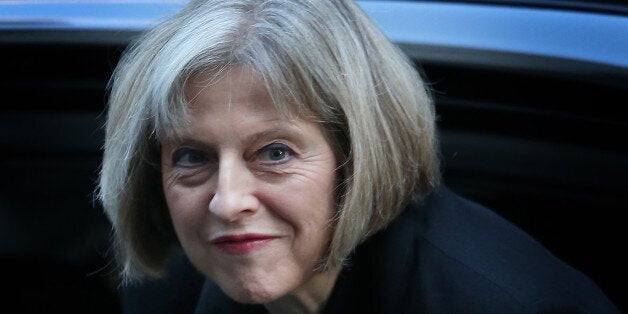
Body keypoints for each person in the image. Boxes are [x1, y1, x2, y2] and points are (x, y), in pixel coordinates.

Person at [97, 0, 620, 313]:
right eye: (191, 156)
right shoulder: (167, 292)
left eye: (275, 152)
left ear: (360, 158)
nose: (228, 202)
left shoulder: (497, 303)